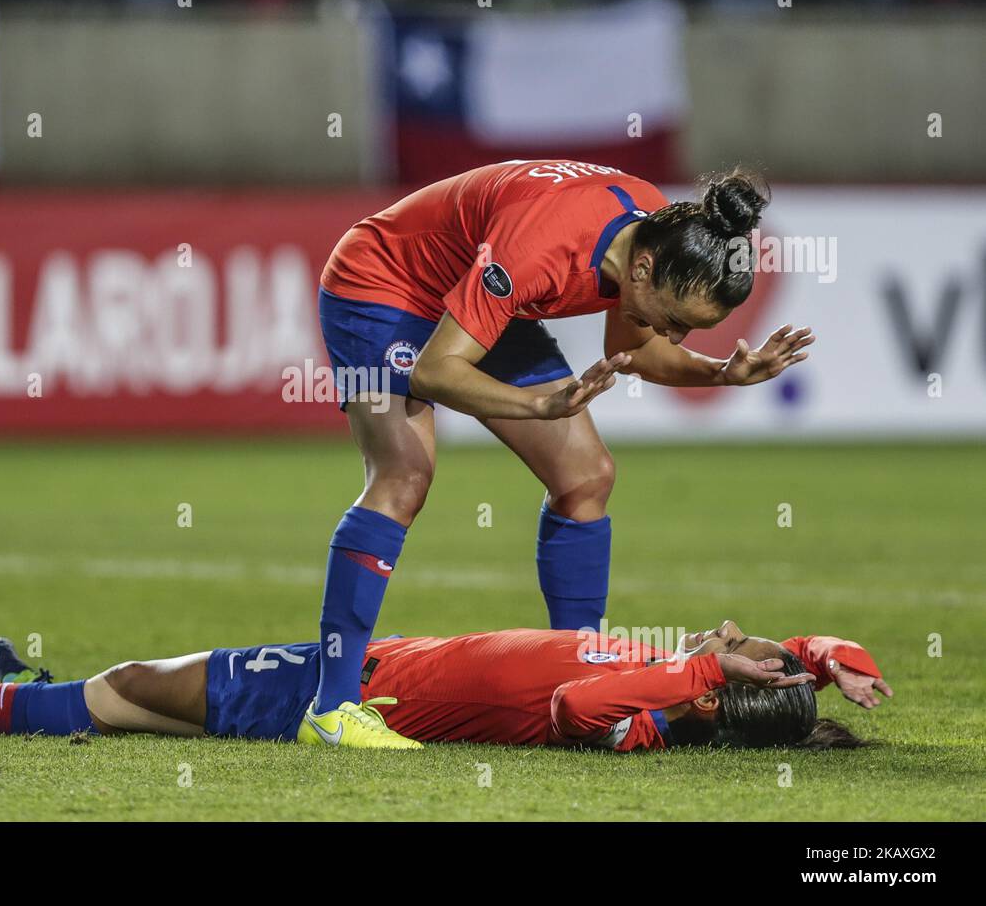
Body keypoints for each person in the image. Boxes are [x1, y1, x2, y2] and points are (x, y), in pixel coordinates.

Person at [308, 158, 814, 747]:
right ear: (644, 270)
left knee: (587, 475)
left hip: (468, 294)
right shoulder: (544, 246)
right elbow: (436, 370)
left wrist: (725, 372)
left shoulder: (648, 235)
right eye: (675, 320)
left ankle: (579, 668)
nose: (674, 337)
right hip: (384, 283)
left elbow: (639, 354)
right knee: (404, 476)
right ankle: (334, 708)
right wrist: (538, 407)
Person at [0, 616, 888, 751]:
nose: (743, 649)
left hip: (366, 703)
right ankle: (36, 692)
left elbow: (573, 706)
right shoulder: (686, 681)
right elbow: (755, 671)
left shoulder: (657, 707)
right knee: (146, 689)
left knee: (134, 683)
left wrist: (701, 668)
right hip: (381, 666)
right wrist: (829, 656)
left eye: (761, 667)